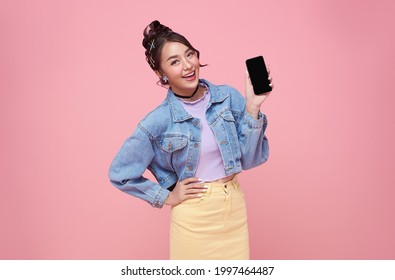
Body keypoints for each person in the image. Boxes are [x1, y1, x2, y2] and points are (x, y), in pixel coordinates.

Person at [108, 20, 273, 260]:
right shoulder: (158, 120)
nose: (187, 66)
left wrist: (252, 108)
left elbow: (250, 160)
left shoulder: (227, 97)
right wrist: (168, 196)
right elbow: (120, 172)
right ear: (160, 73)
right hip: (194, 219)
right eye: (174, 62)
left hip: (234, 209)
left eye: (189, 55)